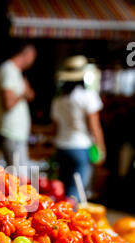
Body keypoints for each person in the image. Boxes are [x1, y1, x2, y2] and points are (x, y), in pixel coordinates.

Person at [51, 55, 106, 201]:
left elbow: (55, 127)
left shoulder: (59, 100)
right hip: (80, 147)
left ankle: (61, 219)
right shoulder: (88, 96)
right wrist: (101, 149)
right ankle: (72, 221)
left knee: (61, 189)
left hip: (61, 147)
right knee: (77, 191)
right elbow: (95, 126)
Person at [0, 43, 37, 176]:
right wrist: (23, 93)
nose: (33, 61)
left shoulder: (16, 72)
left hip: (17, 135)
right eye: (33, 57)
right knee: (19, 179)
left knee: (19, 178)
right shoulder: (8, 71)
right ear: (26, 54)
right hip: (11, 134)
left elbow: (31, 95)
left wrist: (25, 92)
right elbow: (8, 103)